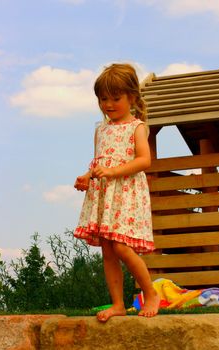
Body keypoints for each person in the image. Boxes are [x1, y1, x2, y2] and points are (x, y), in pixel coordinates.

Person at [74, 63, 160, 322]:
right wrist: (87, 177)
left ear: (132, 97)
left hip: (126, 195)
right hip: (104, 196)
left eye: (115, 98)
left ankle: (150, 293)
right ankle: (118, 304)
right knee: (108, 250)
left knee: (121, 247)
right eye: (103, 99)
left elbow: (145, 161)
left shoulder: (137, 127)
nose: (108, 104)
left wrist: (113, 172)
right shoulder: (100, 129)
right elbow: (99, 161)